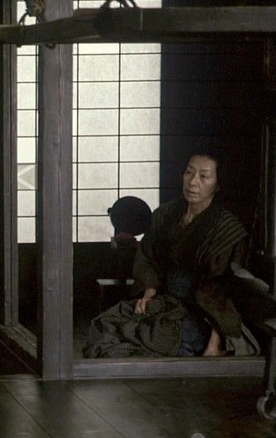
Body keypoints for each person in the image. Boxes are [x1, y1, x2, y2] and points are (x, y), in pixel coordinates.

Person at [83, 153, 258, 358]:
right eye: (189, 172)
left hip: (200, 312)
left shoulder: (226, 229)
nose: (193, 182)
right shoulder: (166, 214)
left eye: (204, 176)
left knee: (152, 337)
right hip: (163, 300)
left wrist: (214, 345)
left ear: (218, 185)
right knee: (104, 325)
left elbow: (222, 291)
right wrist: (149, 291)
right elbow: (147, 257)